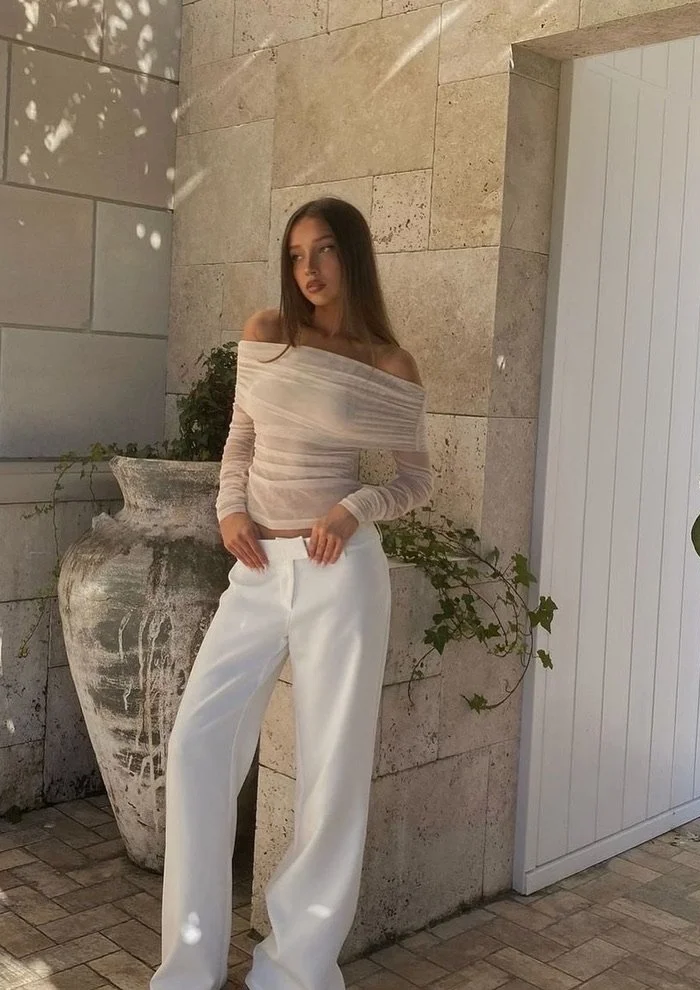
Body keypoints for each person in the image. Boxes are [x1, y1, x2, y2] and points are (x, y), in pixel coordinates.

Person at [150, 198, 434, 990]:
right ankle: (190, 966)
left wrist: (353, 509)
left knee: (332, 771)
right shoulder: (266, 332)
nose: (309, 268)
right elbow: (241, 438)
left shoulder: (388, 363)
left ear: (355, 258)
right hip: (258, 568)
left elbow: (416, 479)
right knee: (198, 743)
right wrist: (227, 508)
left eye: (327, 250)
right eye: (297, 251)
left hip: (338, 572)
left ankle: (295, 971)